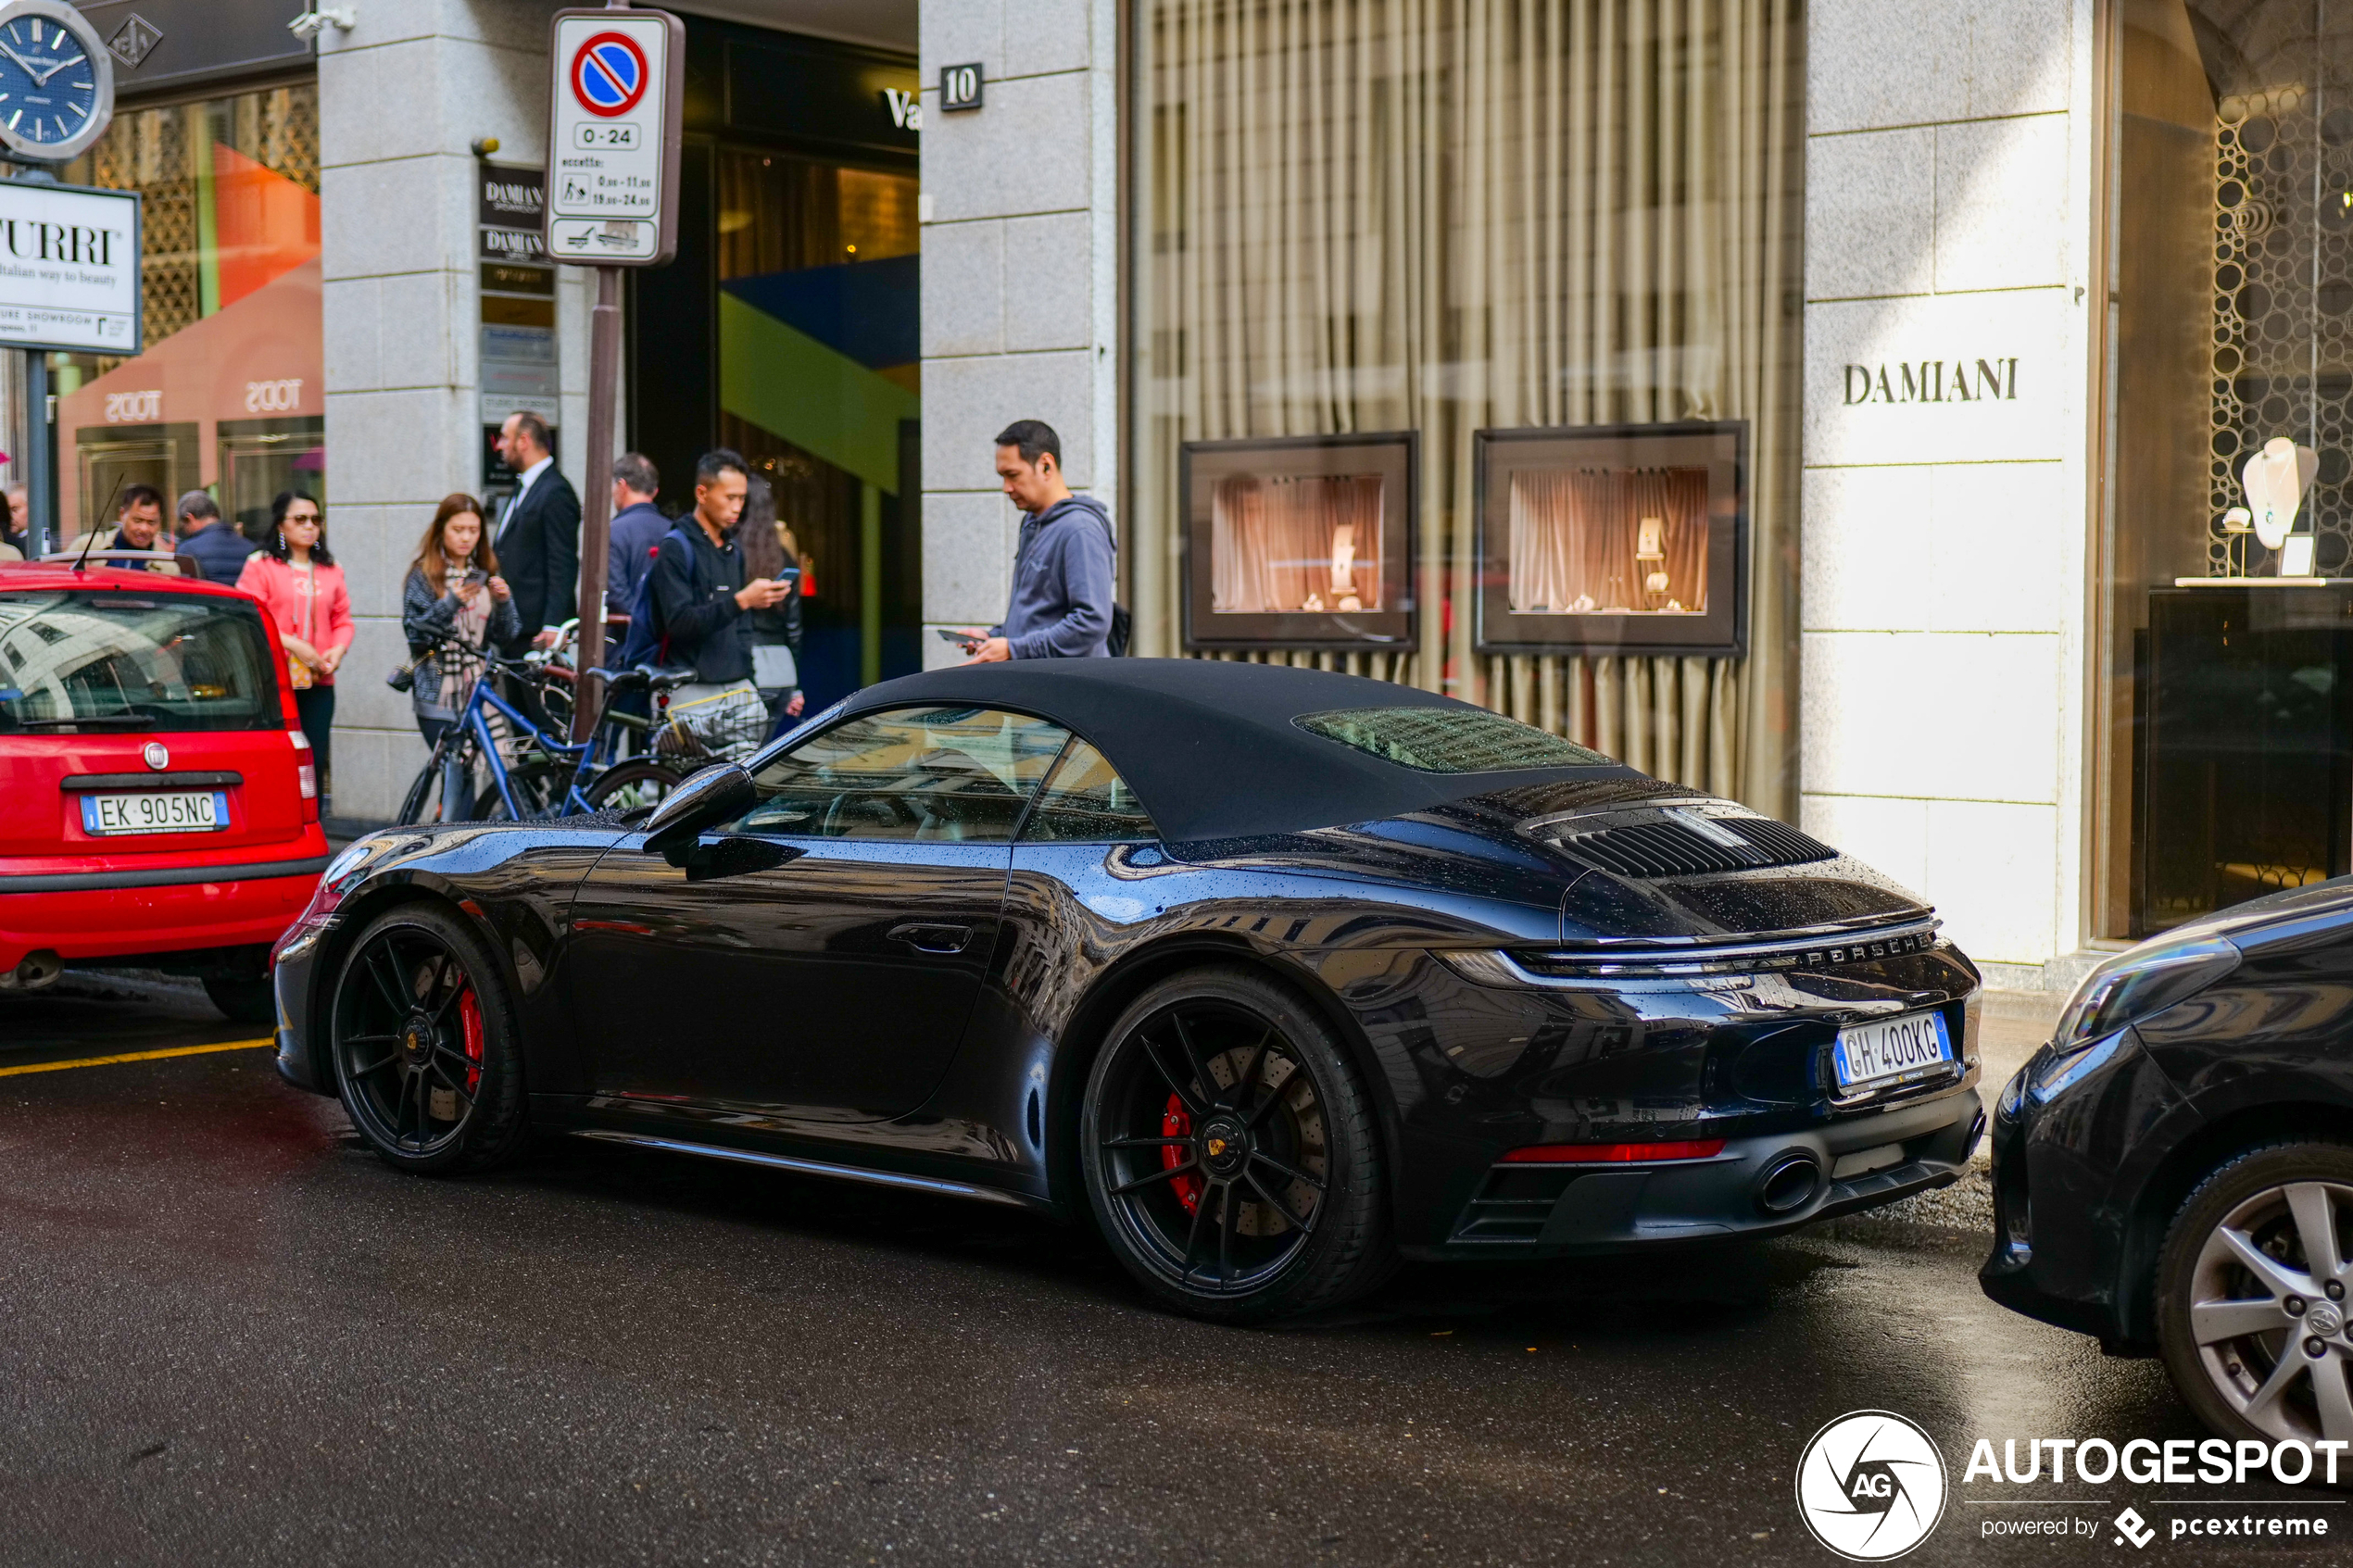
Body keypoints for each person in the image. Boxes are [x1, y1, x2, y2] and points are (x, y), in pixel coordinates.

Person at [646, 449, 790, 759]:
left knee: (743, 782)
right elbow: (680, 623)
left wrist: (749, 675)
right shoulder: (676, 547)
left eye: (742, 498)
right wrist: (741, 601)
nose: (737, 507)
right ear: (702, 493)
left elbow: (742, 627)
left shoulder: (733, 548)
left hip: (736, 688)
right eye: (730, 498)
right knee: (677, 787)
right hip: (689, 689)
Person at [956, 420, 1115, 661]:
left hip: (1067, 690)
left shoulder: (1080, 529)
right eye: (1002, 476)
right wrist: (993, 638)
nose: (1006, 488)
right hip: (1037, 683)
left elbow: (1092, 623)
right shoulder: (1033, 523)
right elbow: (1038, 616)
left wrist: (1014, 649)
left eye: (1013, 475)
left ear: (1046, 466)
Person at [402, 494, 520, 816]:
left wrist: (506, 601)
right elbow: (416, 635)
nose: (467, 537)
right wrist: (451, 601)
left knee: (485, 773)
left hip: (479, 691)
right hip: (438, 694)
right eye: (458, 529)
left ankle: (457, 840)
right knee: (456, 774)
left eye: (474, 529)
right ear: (441, 530)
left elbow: (506, 635)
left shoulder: (484, 573)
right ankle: (450, 845)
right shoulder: (423, 576)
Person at [237, 493, 352, 805]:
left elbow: (343, 619)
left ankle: (312, 824)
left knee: (313, 756)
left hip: (318, 681)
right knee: (277, 757)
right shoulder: (261, 565)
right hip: (272, 681)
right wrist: (295, 645)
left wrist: (337, 651)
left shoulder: (330, 568)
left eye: (315, 520)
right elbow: (250, 615)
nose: (309, 526)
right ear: (280, 525)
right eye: (300, 519)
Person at [489, 409, 580, 655]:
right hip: (514, 625)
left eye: (505, 438)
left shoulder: (556, 491)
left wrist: (554, 624)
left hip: (538, 632)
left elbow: (563, 561)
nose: (500, 446)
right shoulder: (524, 486)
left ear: (524, 441)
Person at [735, 470, 806, 736]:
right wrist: (796, 684)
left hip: (746, 669)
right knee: (762, 754)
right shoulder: (783, 557)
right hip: (781, 670)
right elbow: (794, 627)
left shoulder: (730, 554)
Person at [72, 484, 203, 576]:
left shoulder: (167, 566)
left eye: (151, 522)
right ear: (122, 515)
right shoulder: (87, 547)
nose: (144, 529)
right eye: (137, 521)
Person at [604, 451, 666, 619]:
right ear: (655, 491)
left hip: (624, 640)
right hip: (669, 639)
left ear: (622, 486)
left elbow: (616, 595)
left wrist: (642, 626)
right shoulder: (674, 530)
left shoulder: (612, 532)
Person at [175, 490, 253, 584]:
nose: (185, 531)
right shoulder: (251, 548)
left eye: (183, 526)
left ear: (190, 518)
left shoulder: (187, 551)